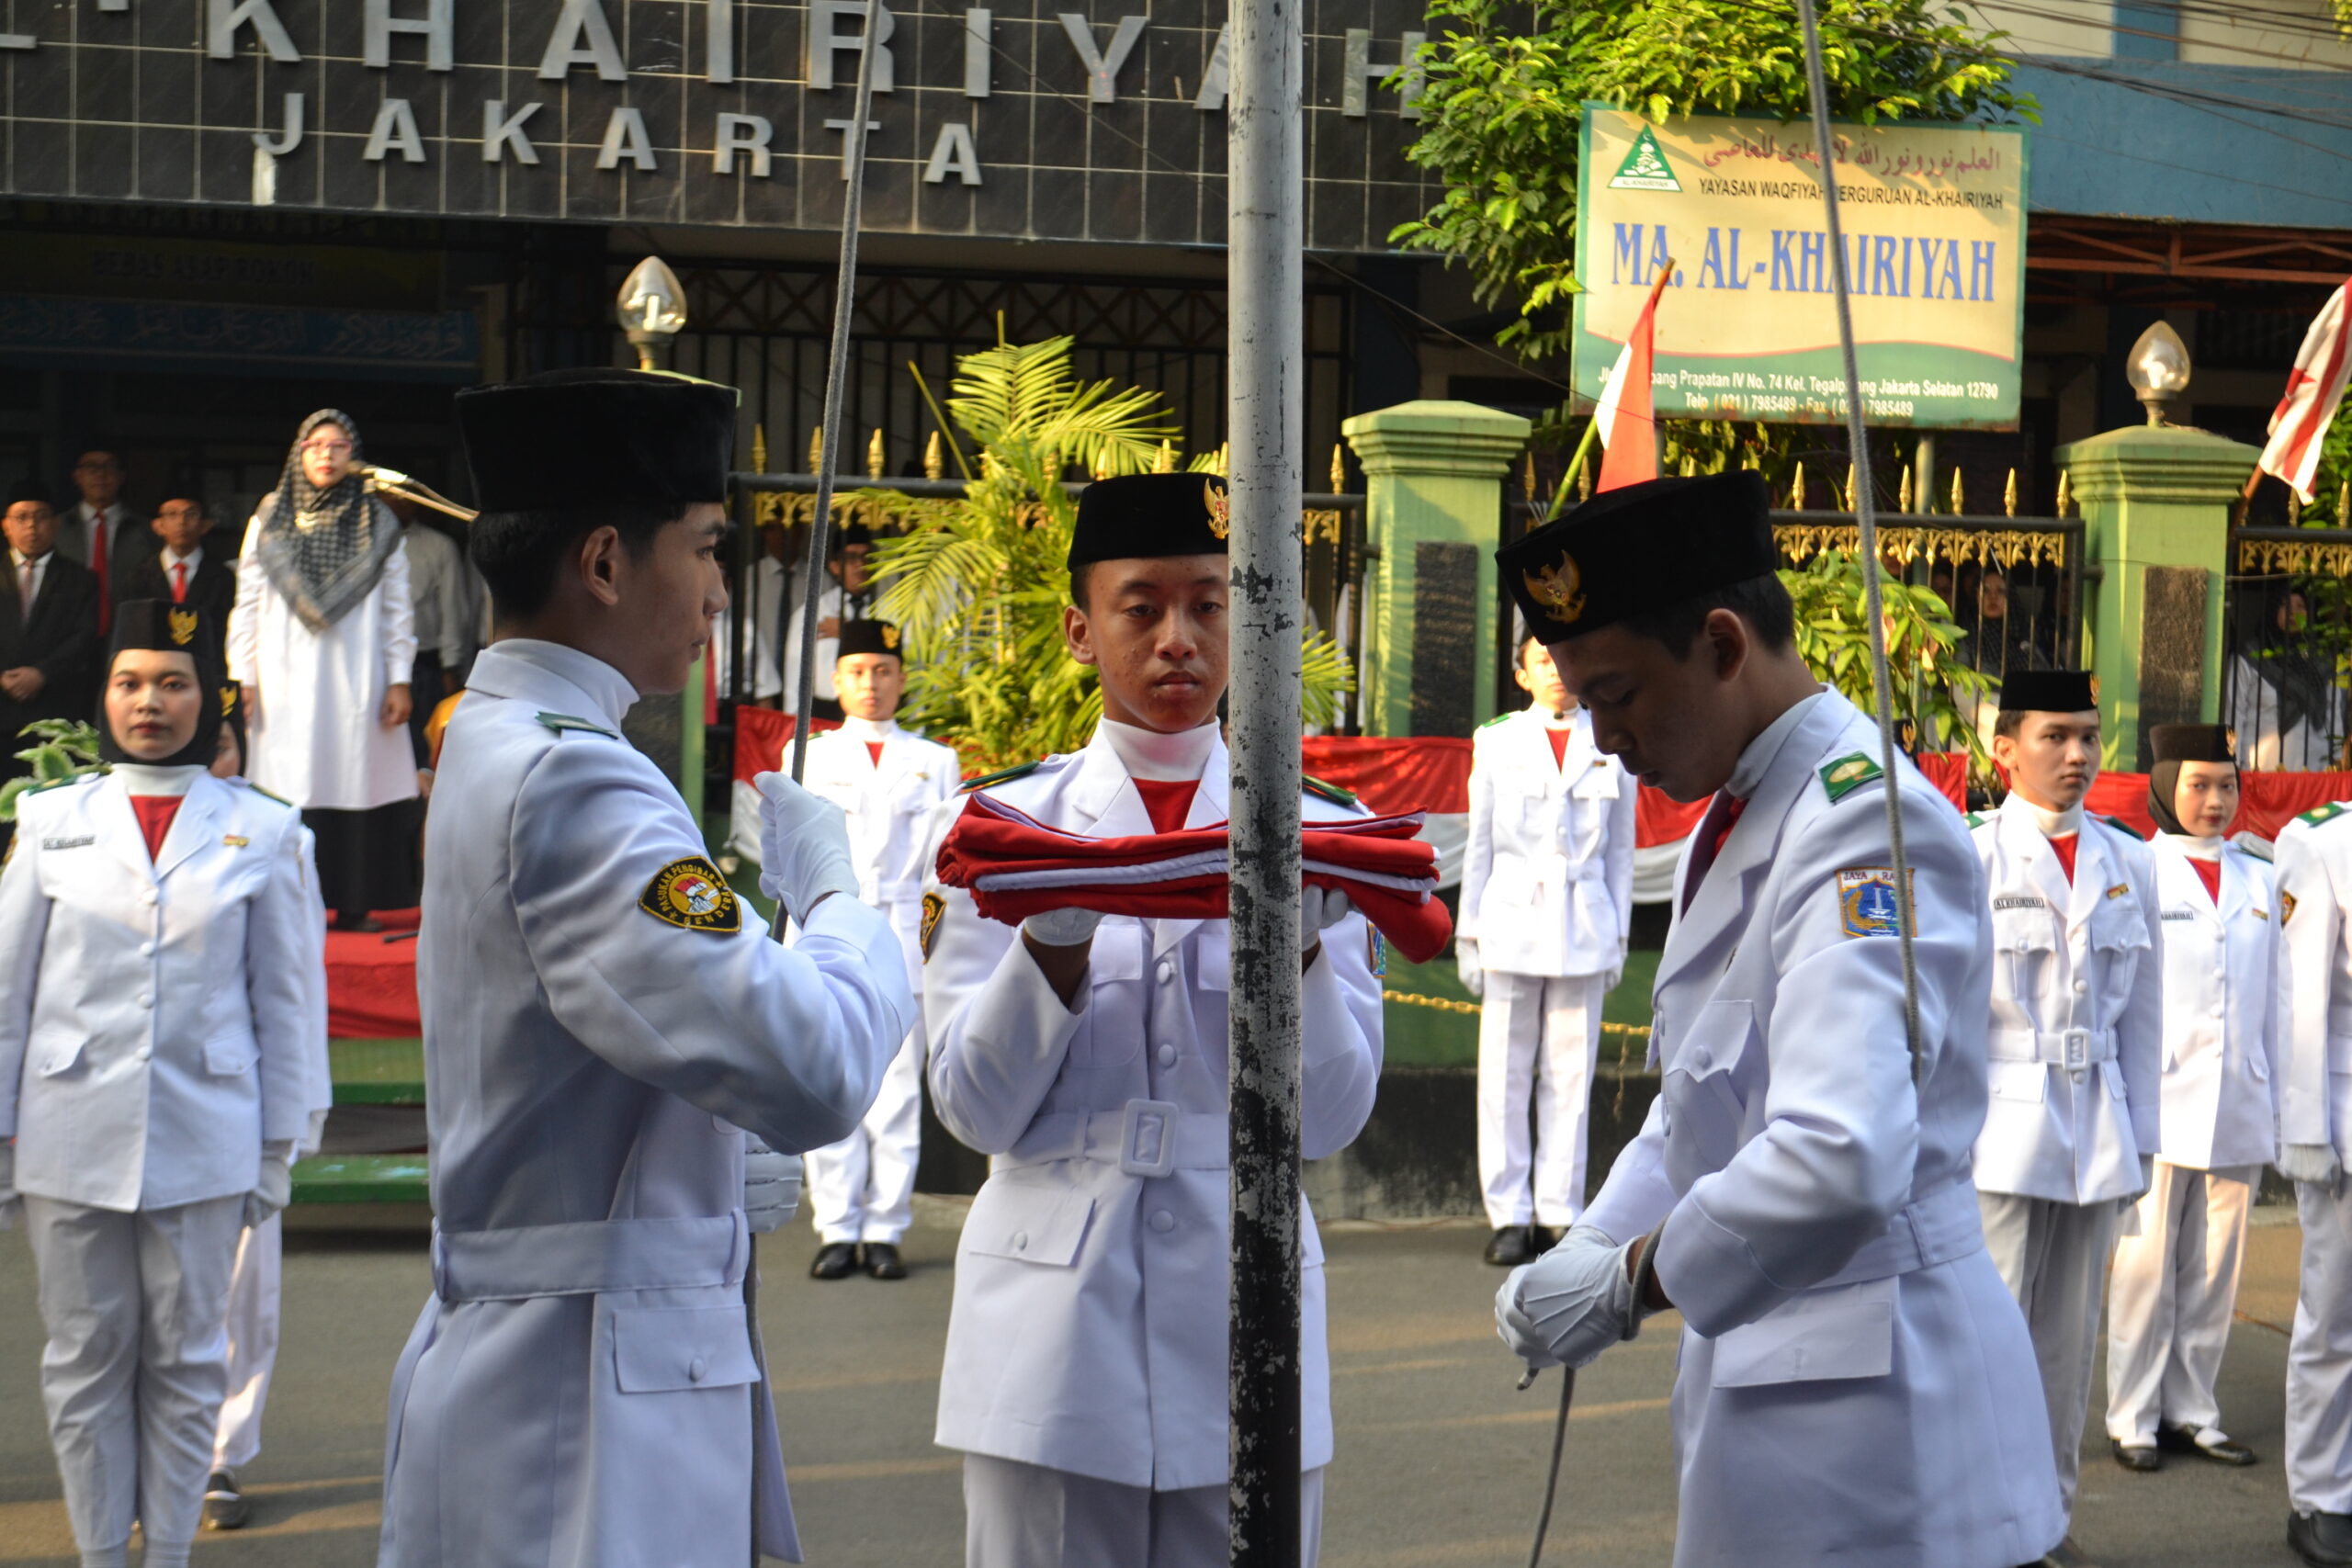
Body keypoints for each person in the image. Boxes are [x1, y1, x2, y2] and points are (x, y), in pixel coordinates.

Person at [374, 367, 915, 1568]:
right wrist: (839, 901)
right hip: (582, 1409)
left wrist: (706, 1155)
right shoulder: (577, 777)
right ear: (607, 563)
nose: (720, 588)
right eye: (707, 546)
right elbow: (821, 1066)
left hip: (562, 1364)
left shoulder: (505, 737)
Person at [1492, 469, 2063, 1568]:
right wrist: (1597, 1238)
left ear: (1720, 644)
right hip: (1789, 1372)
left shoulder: (1861, 827)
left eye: (1617, 694)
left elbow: (1837, 1152)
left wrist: (1629, 1281)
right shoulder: (1753, 805)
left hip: (1883, 1424)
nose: (1604, 739)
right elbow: (1704, 1101)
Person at [920, 471, 1384, 1567]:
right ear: (1081, 629)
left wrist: (1301, 951)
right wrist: (1051, 940)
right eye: (1141, 607)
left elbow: (1330, 1121)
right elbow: (973, 1110)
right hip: (1050, 1331)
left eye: (1208, 605)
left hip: (1245, 1307)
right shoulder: (1001, 828)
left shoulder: (1325, 830)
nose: (1178, 638)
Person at [0, 598, 325, 1568]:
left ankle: (170, 1550)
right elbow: (8, 992)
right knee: (84, 1357)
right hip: (68, 1130)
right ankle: (104, 1552)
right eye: (130, 682)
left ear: (207, 700)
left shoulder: (264, 830)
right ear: (105, 697)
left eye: (173, 683)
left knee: (186, 1360)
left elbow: (287, 1005)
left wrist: (279, 1147)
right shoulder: (51, 820)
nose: (150, 702)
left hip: (207, 1132)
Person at [1966, 669, 2162, 1568]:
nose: (2077, 754)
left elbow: (2145, 1016)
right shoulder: (1969, 855)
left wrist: (2143, 1140)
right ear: (2004, 748)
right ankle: (1976, 1528)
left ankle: (2044, 1522)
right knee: (1987, 1339)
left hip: (2096, 1133)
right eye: (2054, 735)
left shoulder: (2128, 860)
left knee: (2066, 1348)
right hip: (1998, 1134)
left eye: (2088, 735)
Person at [2104, 723, 2274, 1476]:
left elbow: (2281, 997)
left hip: (2240, 1094)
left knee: (2215, 1270)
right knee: (2145, 1267)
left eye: (2227, 785)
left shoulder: (2261, 875)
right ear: (2165, 785)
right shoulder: (2137, 868)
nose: (2215, 800)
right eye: (2198, 785)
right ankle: (2132, 1416)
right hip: (2161, 1094)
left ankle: (2192, 1410)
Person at [1457, 634, 1635, 1266]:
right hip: (1511, 920)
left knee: (1570, 1076)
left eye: (1565, 661)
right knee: (1504, 1076)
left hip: (1584, 923)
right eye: (1542, 661)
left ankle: (1559, 1211)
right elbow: (1479, 844)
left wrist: (1619, 935)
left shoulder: (1610, 738)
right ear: (1521, 674)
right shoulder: (1497, 740)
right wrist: (1469, 934)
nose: (1556, 672)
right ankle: (1509, 1214)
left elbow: (1621, 851)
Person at [797, 617, 959, 1280]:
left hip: (903, 936)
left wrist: (938, 948)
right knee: (831, 1078)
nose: (871, 683)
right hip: (831, 929)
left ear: (901, 678)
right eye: (858, 671)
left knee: (896, 1091)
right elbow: (796, 857)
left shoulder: (934, 760)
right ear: (836, 680)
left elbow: (945, 866)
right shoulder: (809, 756)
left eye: (884, 670)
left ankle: (885, 1228)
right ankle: (837, 1227)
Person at [227, 411, 420, 930]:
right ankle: (285, 904)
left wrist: (399, 677)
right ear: (299, 453)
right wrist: (242, 675)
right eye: (315, 445)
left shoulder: (378, 523)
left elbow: (397, 608)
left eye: (338, 446)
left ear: (354, 456)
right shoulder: (270, 516)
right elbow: (247, 602)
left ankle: (354, 904)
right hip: (281, 677)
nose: (327, 455)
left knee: (355, 781)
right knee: (287, 785)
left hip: (357, 678)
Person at [2274, 794, 2352, 1565]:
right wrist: (2306, 1135)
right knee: (2336, 1315)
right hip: (2347, 1121)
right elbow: (2301, 1000)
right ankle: (2323, 1495)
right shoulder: (2325, 842)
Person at [120, 499, 244, 776]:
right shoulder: (138, 575)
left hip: (208, 678)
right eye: (172, 515)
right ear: (157, 525)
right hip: (153, 684)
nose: (181, 522)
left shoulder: (224, 577)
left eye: (190, 515)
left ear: (205, 525)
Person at [3, 485, 103, 816]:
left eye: (41, 517)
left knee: (52, 809)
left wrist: (42, 673)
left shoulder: (81, 580)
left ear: (56, 524)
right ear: (6, 526)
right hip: (1, 705)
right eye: (22, 517)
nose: (32, 526)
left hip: (54, 708)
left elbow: (84, 637)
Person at [59, 450, 144, 631]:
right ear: (77, 476)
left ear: (121, 477)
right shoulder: (57, 528)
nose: (100, 474)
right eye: (91, 467)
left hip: (128, 628)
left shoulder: (145, 530)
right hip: (67, 629)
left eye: (109, 467)